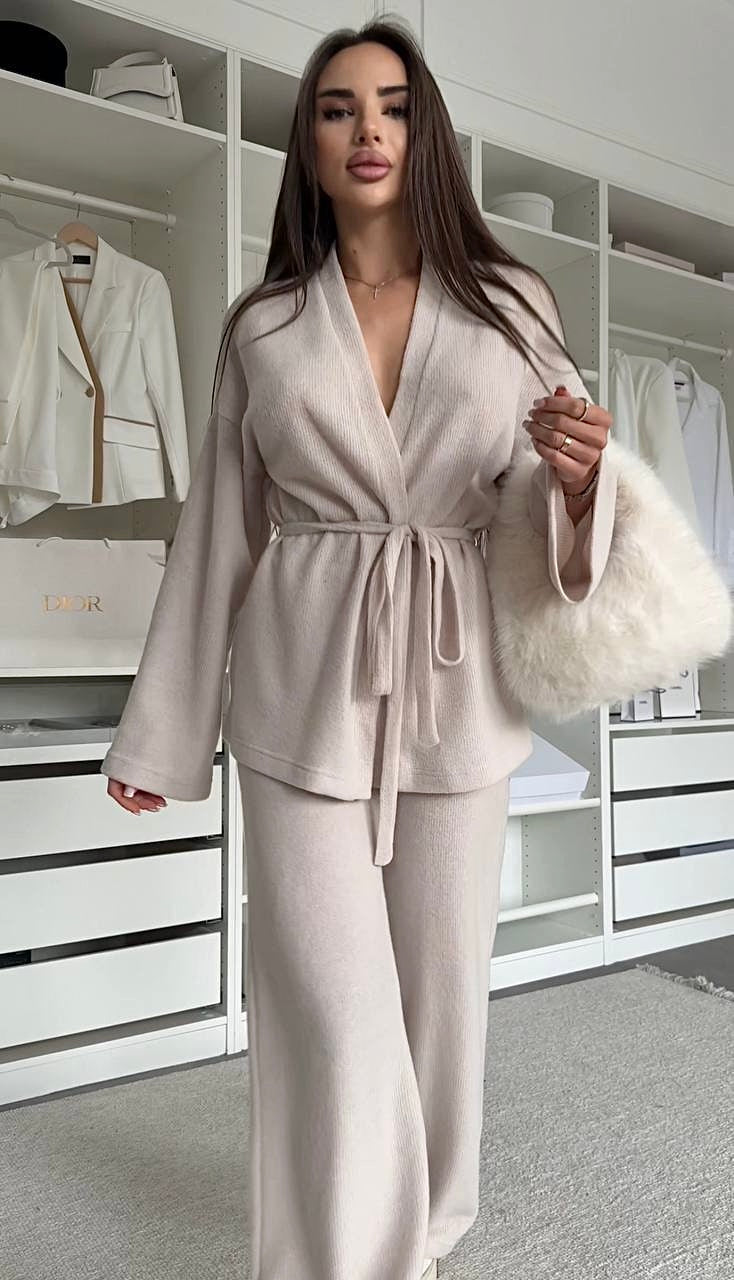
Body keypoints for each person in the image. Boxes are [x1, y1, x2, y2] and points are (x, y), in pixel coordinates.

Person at [101, 16, 614, 1280]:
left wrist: (580, 482)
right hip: (299, 687)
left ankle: (421, 1235)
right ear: (310, 142)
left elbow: (539, 499)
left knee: (438, 1005)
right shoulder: (264, 326)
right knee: (331, 1011)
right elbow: (217, 533)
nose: (367, 128)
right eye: (337, 108)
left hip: (456, 680)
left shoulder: (511, 305)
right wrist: (162, 732)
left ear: (423, 133)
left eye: (391, 105)